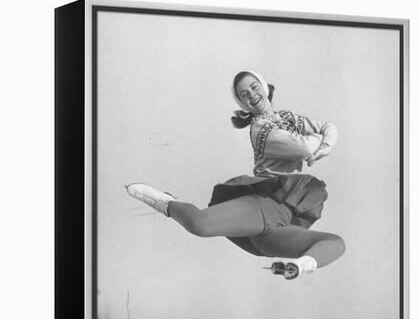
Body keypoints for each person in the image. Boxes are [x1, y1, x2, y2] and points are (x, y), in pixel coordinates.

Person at [126, 71, 345, 279]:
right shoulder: (262, 130)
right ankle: (167, 203)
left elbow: (328, 127)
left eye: (254, 87)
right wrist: (319, 141)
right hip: (265, 203)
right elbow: (306, 148)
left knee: (336, 243)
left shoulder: (288, 117)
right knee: (199, 224)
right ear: (242, 104)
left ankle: (298, 266)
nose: (252, 95)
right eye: (244, 94)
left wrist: (324, 145)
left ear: (264, 87)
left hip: (283, 222)